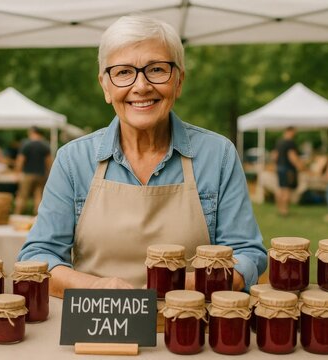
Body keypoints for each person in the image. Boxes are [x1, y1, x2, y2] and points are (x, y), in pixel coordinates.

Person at [18, 15, 267, 297]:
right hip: (98, 329)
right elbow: (37, 258)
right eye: (124, 72)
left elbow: (247, 254)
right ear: (105, 86)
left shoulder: (218, 155)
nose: (141, 86)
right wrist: (96, 286)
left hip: (190, 329)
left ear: (179, 81)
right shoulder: (73, 160)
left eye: (157, 69)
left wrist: (181, 287)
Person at [13, 126, 52, 215]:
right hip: (41, 174)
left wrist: (17, 173)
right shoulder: (45, 145)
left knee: (22, 196)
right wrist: (49, 174)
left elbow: (20, 160)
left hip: (28, 174)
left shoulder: (26, 144)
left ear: (32, 132)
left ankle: (17, 214)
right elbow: (49, 162)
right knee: (38, 197)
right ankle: (37, 217)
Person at [274, 127, 303, 216]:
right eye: (294, 132)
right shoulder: (290, 143)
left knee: (280, 189)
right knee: (287, 190)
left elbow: (275, 156)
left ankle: (280, 209)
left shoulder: (279, 142)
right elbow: (292, 156)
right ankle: (285, 211)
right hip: (288, 169)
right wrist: (300, 166)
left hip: (279, 168)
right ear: (290, 131)